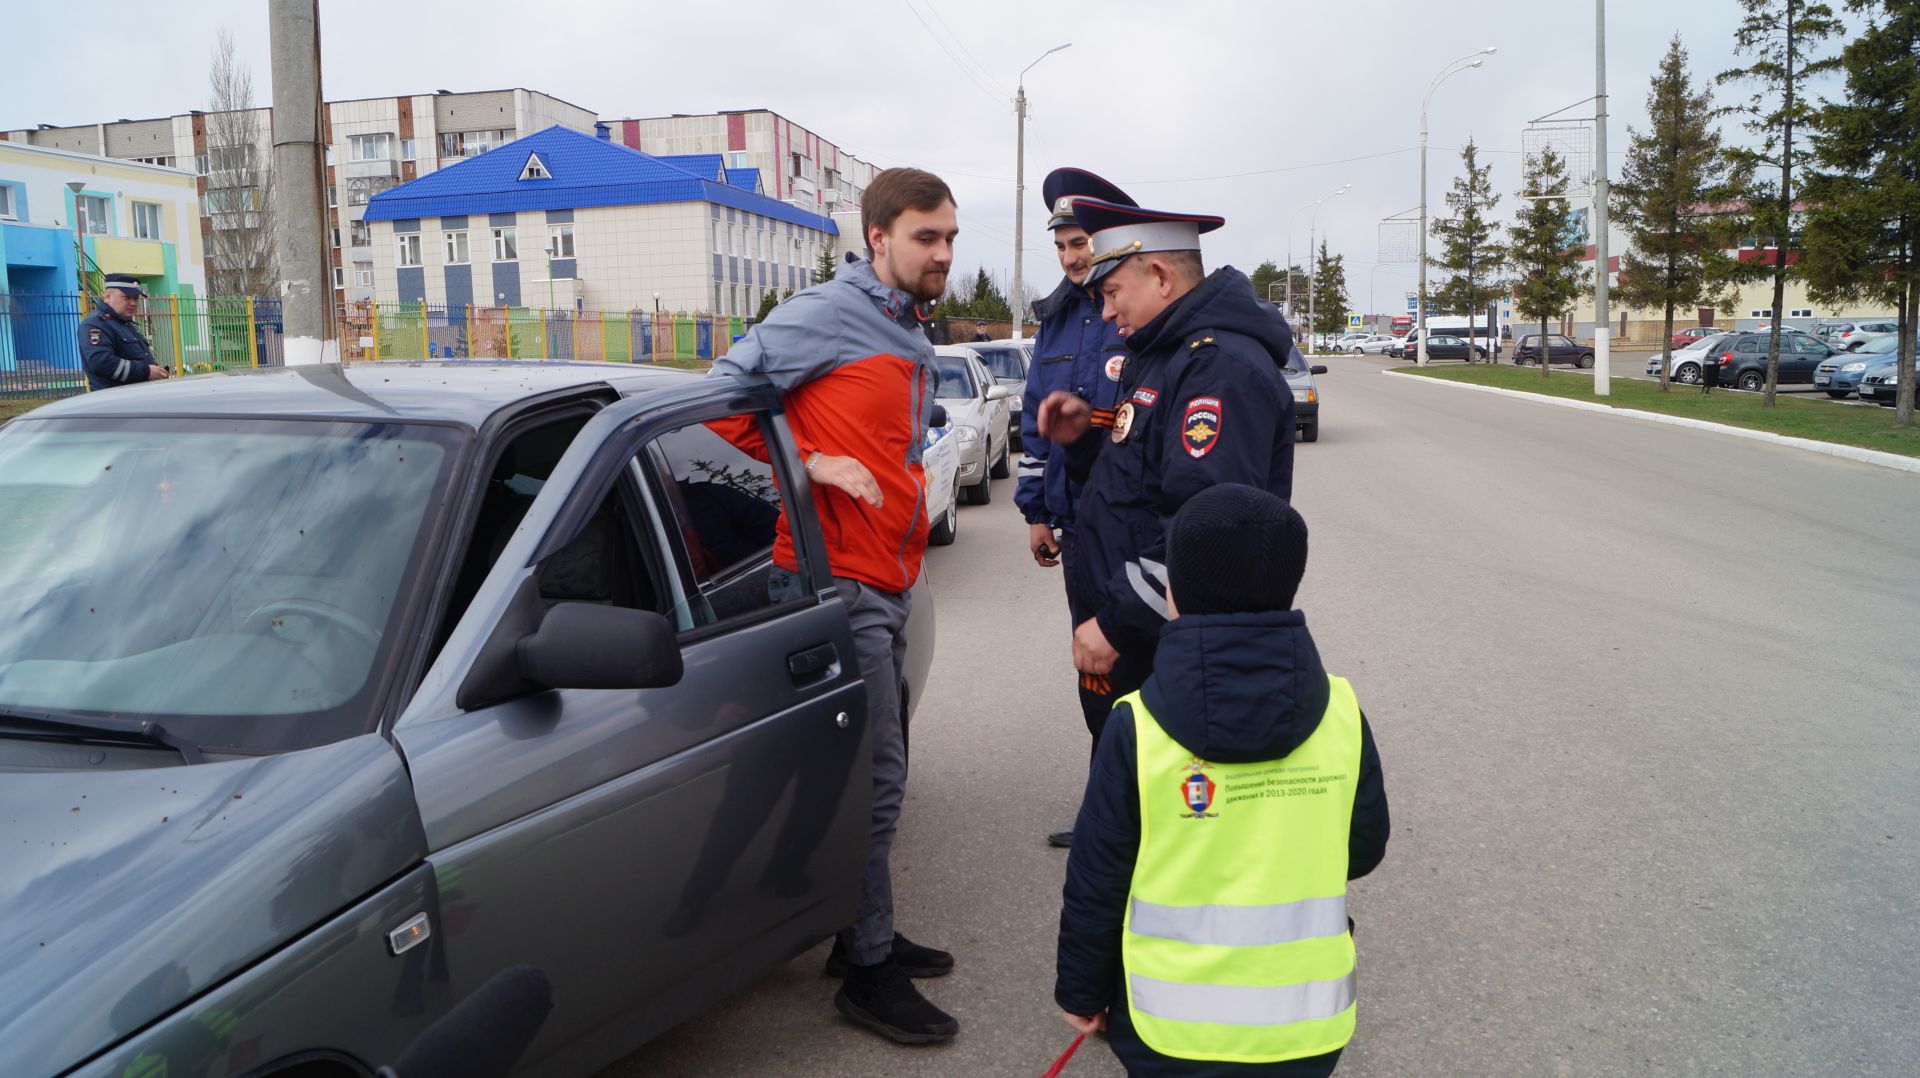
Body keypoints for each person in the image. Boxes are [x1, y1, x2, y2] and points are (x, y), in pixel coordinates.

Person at [706, 166, 960, 1046]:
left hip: (883, 582)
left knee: (862, 780)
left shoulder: (901, 323)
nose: (943, 253)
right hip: (830, 584)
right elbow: (724, 392)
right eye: (927, 237)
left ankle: (861, 937)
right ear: (878, 235)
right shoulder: (826, 312)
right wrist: (809, 462)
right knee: (876, 784)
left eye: (951, 238)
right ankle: (867, 972)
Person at [1055, 484, 1390, 1076]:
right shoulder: (1341, 710)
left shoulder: (1136, 724)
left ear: (1173, 595)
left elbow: (1097, 880)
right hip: (1307, 1024)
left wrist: (1082, 993)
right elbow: (1362, 850)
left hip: (1167, 1028)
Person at [1034, 196, 1296, 783]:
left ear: (1159, 275)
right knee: (1131, 796)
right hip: (1135, 625)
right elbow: (1137, 484)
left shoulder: (1217, 369)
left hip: (1163, 640)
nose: (1104, 314)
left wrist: (1118, 624)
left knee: (1166, 810)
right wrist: (1081, 443)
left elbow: (1210, 534)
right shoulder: (1158, 355)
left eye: (1111, 293)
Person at [1015, 167, 1138, 849]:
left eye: (1081, 240)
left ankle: (1139, 811)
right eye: (1062, 244)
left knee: (1137, 662)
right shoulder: (1057, 316)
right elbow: (1036, 423)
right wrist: (1035, 510)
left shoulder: (1137, 307)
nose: (1072, 256)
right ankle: (1106, 806)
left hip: (1134, 520)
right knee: (1092, 663)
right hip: (1076, 522)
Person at [78, 274, 169, 391]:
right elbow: (102, 363)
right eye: (126, 297)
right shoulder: (95, 324)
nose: (133, 303)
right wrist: (146, 372)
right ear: (107, 297)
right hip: (114, 401)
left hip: (135, 398)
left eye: (135, 298)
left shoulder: (125, 323)